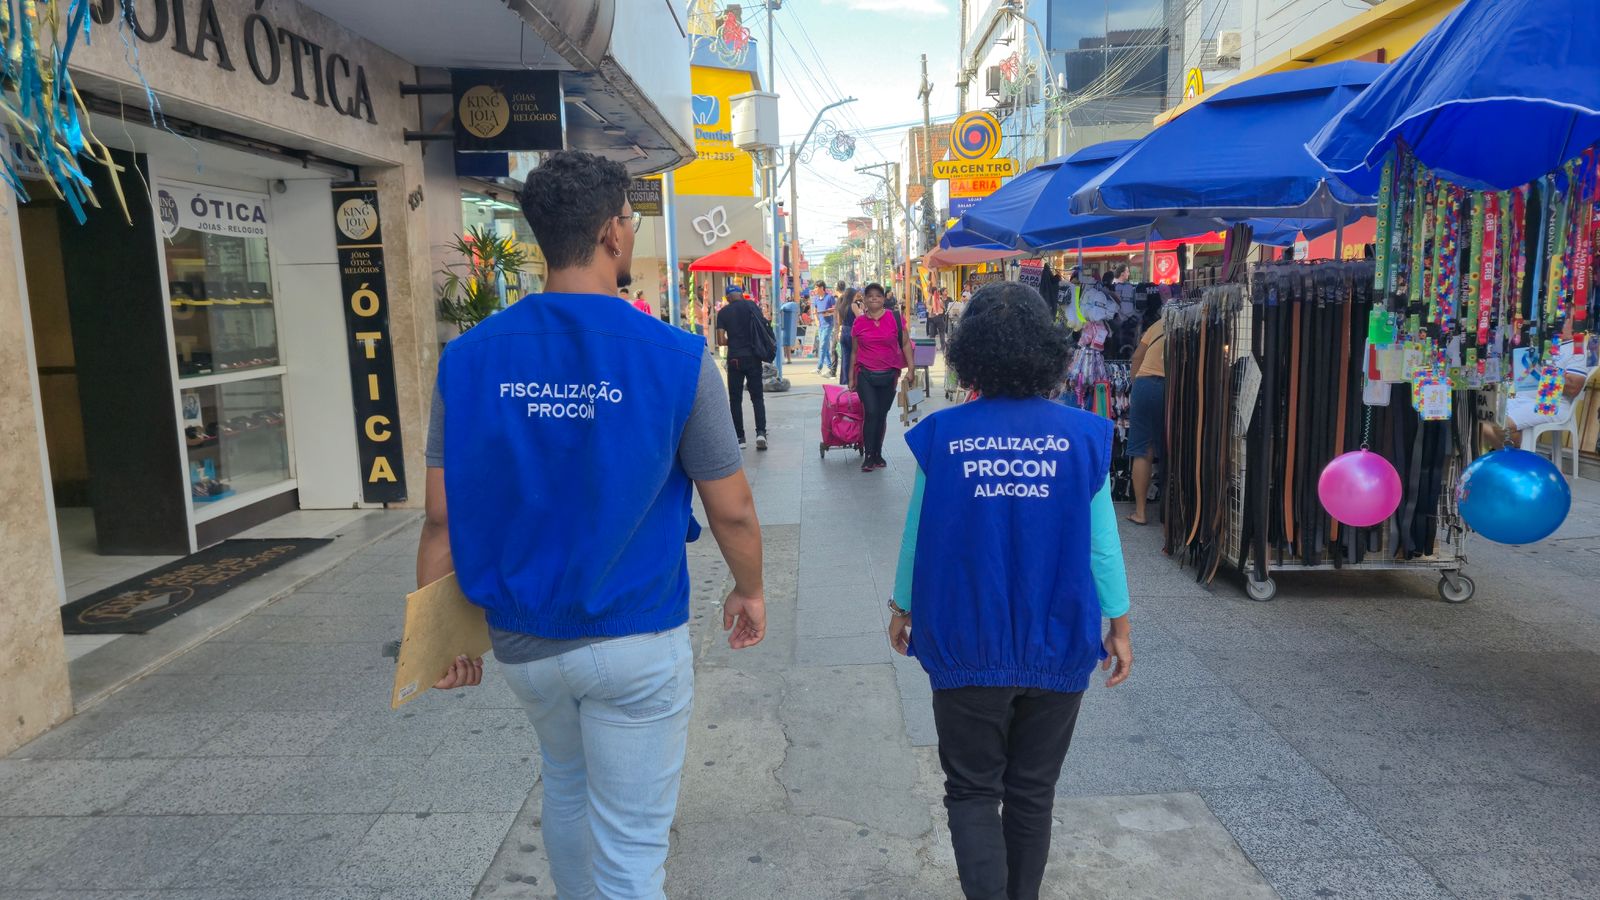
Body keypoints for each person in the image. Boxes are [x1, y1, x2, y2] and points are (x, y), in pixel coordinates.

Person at [417, 150, 766, 900]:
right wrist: (750, 590)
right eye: (631, 223)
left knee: (568, 788)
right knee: (633, 848)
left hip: (524, 642)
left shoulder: (470, 359)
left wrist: (439, 638)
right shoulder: (676, 357)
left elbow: (441, 518)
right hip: (634, 635)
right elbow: (730, 506)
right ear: (614, 231)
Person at [887, 281, 1131, 900]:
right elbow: (1103, 545)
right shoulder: (1084, 436)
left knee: (971, 789)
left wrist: (901, 606)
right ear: (1047, 349)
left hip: (966, 637)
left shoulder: (944, 435)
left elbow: (917, 532)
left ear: (971, 351)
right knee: (1032, 790)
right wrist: (1120, 626)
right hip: (1058, 637)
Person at [849, 282, 915, 472]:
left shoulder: (895, 318)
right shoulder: (859, 322)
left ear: (883, 298)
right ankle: (869, 456)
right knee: (871, 413)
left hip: (890, 373)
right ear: (865, 300)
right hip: (865, 374)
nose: (874, 298)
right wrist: (851, 377)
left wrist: (910, 369)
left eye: (878, 295)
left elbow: (905, 344)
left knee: (881, 414)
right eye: (870, 296)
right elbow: (854, 352)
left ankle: (878, 453)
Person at [1481, 339, 1595, 447]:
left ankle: (1521, 456)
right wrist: (1556, 374)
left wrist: (1541, 371)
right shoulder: (1545, 339)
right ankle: (1514, 457)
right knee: (1483, 418)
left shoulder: (1578, 346)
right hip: (1523, 399)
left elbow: (1573, 388)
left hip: (1551, 403)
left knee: (1502, 424)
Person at [717, 283, 770, 450]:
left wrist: (732, 340)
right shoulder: (751, 306)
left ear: (727, 298)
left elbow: (720, 341)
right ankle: (761, 433)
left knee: (735, 400)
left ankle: (740, 438)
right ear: (741, 294)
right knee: (757, 398)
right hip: (753, 357)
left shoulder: (723, 312)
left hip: (735, 359)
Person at [1125, 316, 1167, 525]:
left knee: (1143, 448)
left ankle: (1141, 512)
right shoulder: (1203, 324)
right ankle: (1171, 510)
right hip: (1176, 385)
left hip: (1146, 384)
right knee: (1173, 448)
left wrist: (1135, 383)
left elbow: (1137, 356)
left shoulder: (1158, 324)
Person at [837, 286, 863, 387]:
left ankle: (844, 380)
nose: (857, 296)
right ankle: (853, 379)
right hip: (852, 332)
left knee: (845, 357)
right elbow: (860, 318)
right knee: (854, 357)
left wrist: (838, 332)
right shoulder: (853, 305)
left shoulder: (841, 306)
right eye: (855, 295)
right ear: (852, 295)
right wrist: (861, 310)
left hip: (844, 331)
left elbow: (839, 321)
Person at [813, 281, 837, 375]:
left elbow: (835, 311)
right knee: (825, 347)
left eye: (816, 287)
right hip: (820, 325)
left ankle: (819, 367)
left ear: (821, 287)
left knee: (822, 345)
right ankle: (830, 367)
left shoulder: (830, 297)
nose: (814, 289)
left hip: (828, 325)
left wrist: (828, 313)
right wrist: (816, 320)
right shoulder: (816, 299)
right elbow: (814, 311)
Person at [780, 293, 800, 364]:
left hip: (784, 327)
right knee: (787, 343)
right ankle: (788, 358)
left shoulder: (784, 307)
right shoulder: (794, 307)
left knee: (786, 343)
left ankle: (788, 358)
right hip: (787, 327)